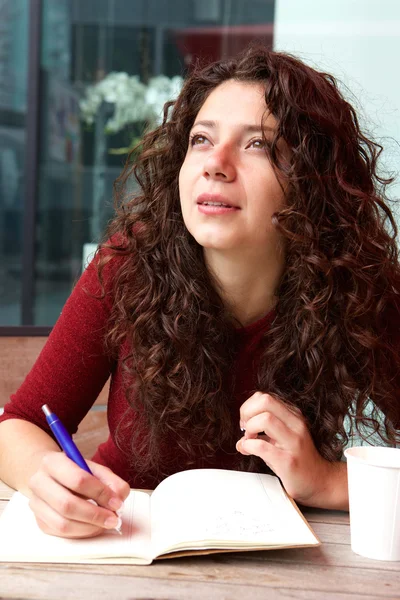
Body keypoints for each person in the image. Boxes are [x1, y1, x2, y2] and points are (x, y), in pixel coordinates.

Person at [0, 44, 399, 539]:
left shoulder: (358, 286)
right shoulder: (129, 265)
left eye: (257, 144)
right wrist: (44, 479)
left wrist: (327, 481)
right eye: (201, 140)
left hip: (291, 568)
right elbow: (18, 424)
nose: (216, 163)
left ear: (313, 181)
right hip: (122, 542)